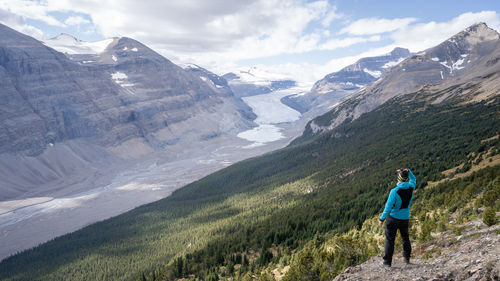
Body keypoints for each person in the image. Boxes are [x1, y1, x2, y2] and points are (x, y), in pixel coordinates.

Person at [379, 168, 416, 268]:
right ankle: (407, 258)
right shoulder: (411, 187)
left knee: (390, 240)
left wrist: (382, 219)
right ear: (406, 178)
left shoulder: (394, 191)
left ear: (398, 179)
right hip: (405, 218)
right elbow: (414, 179)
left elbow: (388, 207)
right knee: (405, 238)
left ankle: (387, 263)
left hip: (393, 218)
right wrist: (408, 171)